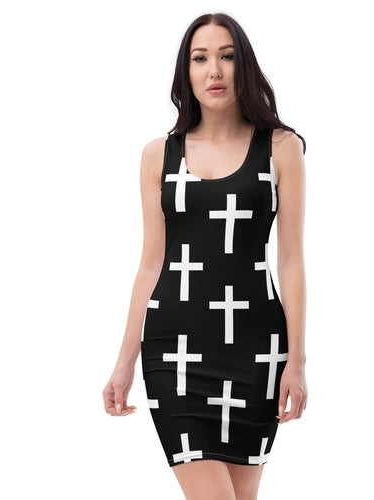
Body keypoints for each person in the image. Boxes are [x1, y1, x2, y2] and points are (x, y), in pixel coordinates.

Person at [103, 12, 307, 500]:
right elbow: (151, 263)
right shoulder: (159, 154)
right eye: (200, 58)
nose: (214, 70)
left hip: (256, 352)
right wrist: (124, 361)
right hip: (174, 351)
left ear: (244, 65)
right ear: (186, 71)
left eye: (227, 56)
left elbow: (291, 261)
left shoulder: (281, 149)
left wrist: (297, 360)